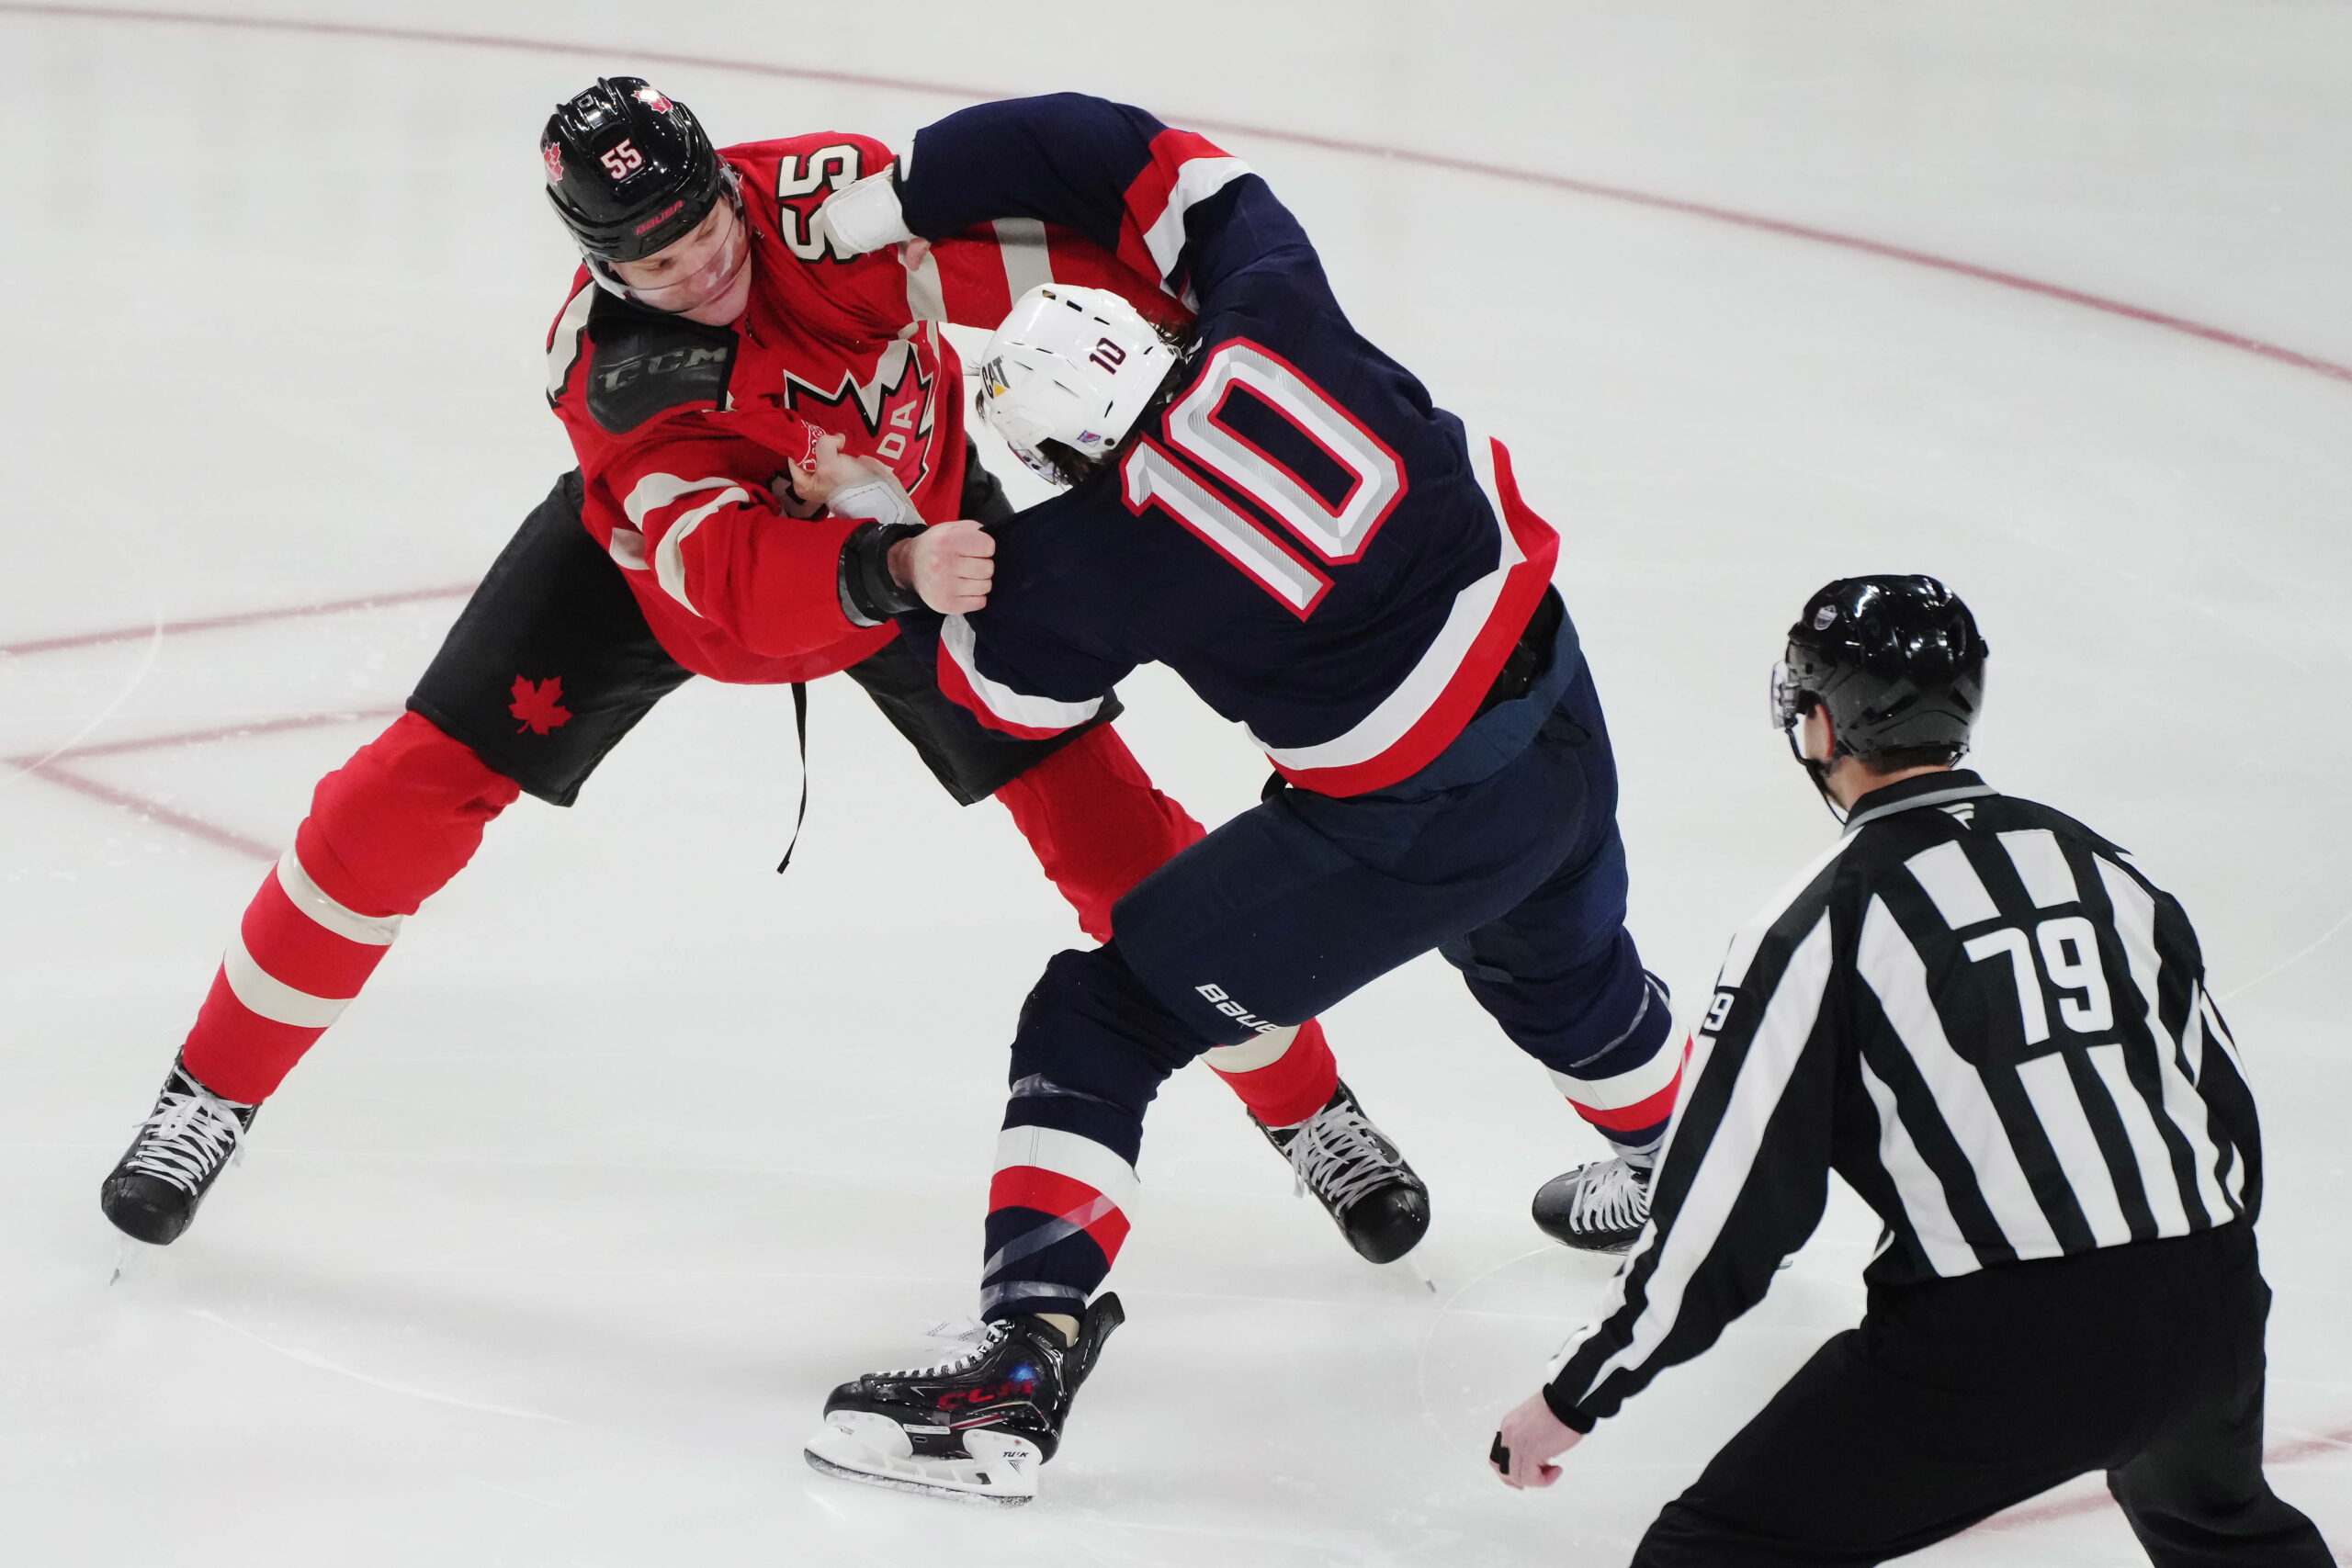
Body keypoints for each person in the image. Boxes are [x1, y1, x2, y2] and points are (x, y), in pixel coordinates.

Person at [96, 78, 1432, 1269]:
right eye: (659, 261)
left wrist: (1202, 312)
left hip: (923, 525)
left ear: (728, 183)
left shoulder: (814, 206)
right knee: (395, 800)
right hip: (716, 581)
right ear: (600, 258)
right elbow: (723, 570)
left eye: (705, 231)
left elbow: (1015, 259)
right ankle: (208, 1090)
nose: (699, 269)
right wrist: (882, 569)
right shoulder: (619, 372)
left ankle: (1316, 1114)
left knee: (1122, 837)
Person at [794, 93, 1685, 1505]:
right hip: (1558, 701)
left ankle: (1020, 1358)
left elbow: (1003, 699)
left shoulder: (1094, 546)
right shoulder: (1274, 307)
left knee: (1099, 1015)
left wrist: (876, 529)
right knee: (1566, 971)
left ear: (1063, 458)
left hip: (1408, 818)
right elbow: (1151, 158)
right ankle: (1675, 1166)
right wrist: (905, 188)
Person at [1488, 576, 2333, 1566]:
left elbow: (1729, 1216)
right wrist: (2176, 1291)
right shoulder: (2102, 867)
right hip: (2210, 1296)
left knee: (1708, 1554)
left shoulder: (1817, 923)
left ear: (1816, 727)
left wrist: (1573, 1394)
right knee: (2216, 1525)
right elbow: (2217, 1105)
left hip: (2005, 1342)